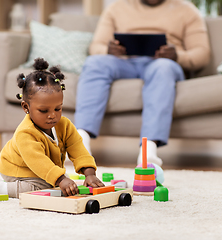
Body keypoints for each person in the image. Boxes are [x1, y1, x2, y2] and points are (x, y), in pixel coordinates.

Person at [75, 0, 211, 166]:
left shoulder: (187, 11)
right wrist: (107, 50)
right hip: (124, 62)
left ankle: (149, 151)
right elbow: (96, 45)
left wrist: (177, 56)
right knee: (94, 62)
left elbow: (202, 53)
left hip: (162, 63)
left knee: (163, 68)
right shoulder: (116, 8)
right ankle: (81, 142)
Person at [0, 58, 104, 198]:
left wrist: (90, 173)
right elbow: (38, 162)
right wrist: (60, 179)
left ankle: (55, 178)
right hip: (16, 169)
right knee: (44, 187)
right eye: (44, 111)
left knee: (57, 181)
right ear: (26, 107)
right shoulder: (25, 133)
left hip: (39, 167)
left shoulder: (65, 125)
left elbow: (78, 149)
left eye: (58, 109)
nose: (52, 116)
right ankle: (0, 187)